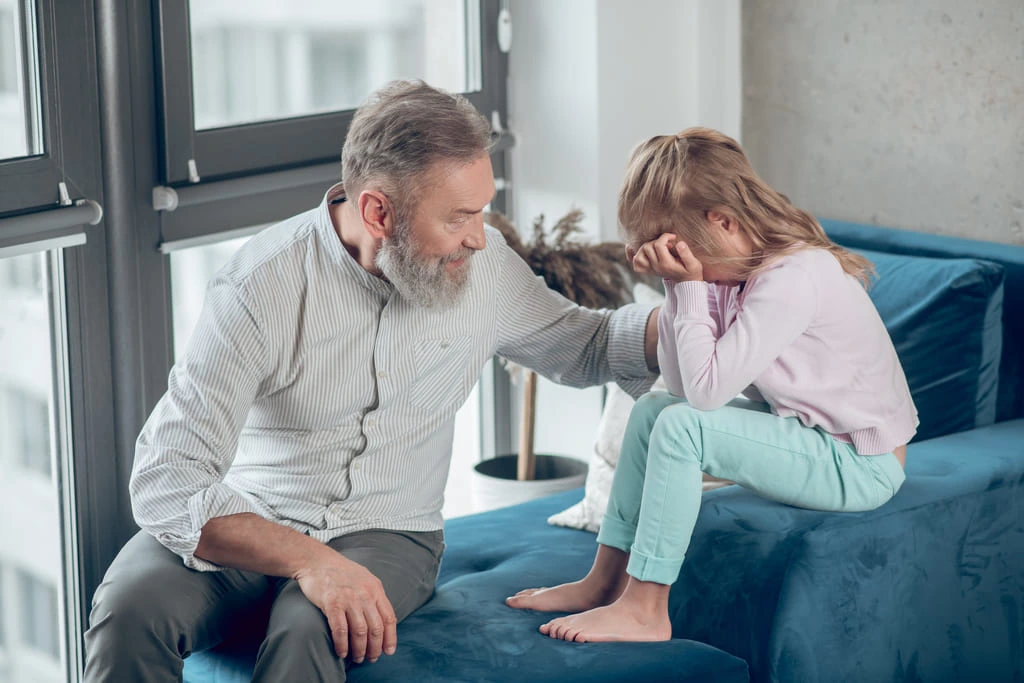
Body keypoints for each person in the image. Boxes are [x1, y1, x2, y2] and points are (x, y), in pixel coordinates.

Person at [83, 80, 660, 682]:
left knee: (312, 625)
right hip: (257, 512)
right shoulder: (260, 286)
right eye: (460, 217)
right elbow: (166, 480)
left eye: (482, 210)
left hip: (392, 531)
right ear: (377, 212)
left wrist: (700, 314)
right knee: (129, 610)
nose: (479, 237)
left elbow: (589, 346)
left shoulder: (484, 271)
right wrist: (311, 560)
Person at [507, 127, 917, 643]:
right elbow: (680, 385)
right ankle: (603, 580)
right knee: (655, 410)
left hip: (859, 463)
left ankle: (647, 608)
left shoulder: (792, 277)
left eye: (675, 250)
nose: (677, 264)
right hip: (813, 436)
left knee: (681, 429)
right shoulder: (729, 273)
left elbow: (705, 397)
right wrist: (680, 288)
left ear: (722, 222)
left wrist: (689, 284)